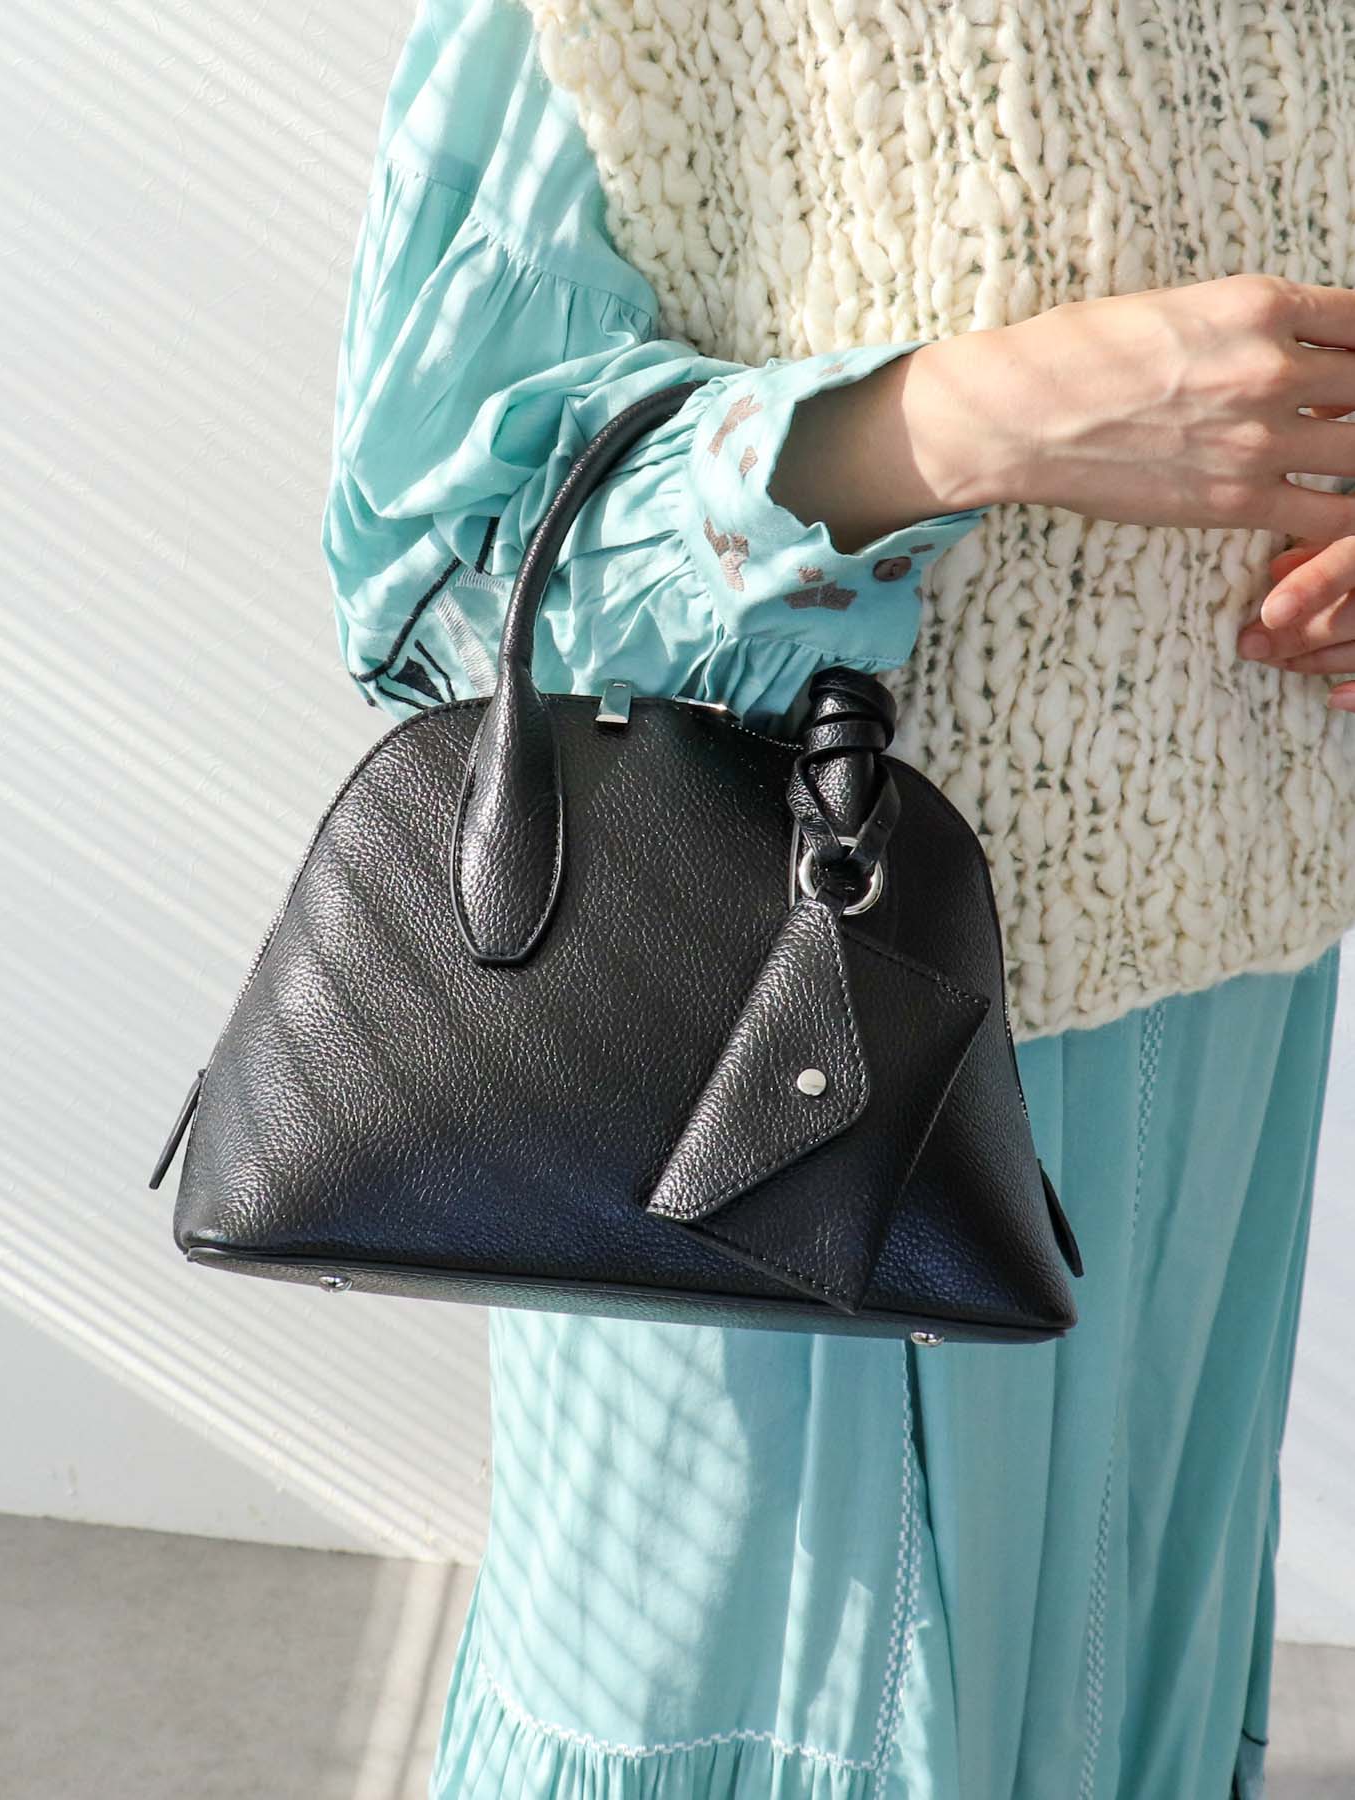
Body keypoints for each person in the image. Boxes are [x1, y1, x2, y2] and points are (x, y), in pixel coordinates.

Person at [320, 2, 1355, 1794]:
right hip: (765, 1024)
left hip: (1232, 999)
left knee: (1122, 1708)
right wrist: (967, 419)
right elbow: (437, 566)